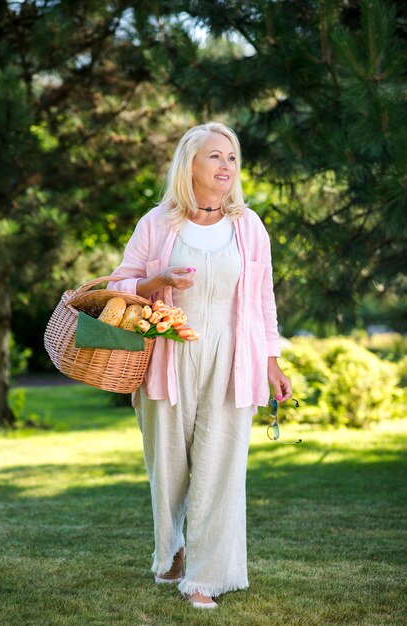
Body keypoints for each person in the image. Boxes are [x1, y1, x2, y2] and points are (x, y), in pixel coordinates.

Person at [108, 122, 292, 609]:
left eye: (232, 157)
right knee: (167, 467)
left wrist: (272, 362)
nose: (226, 165)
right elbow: (118, 287)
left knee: (219, 466)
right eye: (215, 156)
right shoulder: (157, 223)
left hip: (234, 359)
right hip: (167, 356)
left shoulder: (248, 226)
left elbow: (263, 300)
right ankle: (171, 551)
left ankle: (205, 577)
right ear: (190, 164)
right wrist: (158, 278)